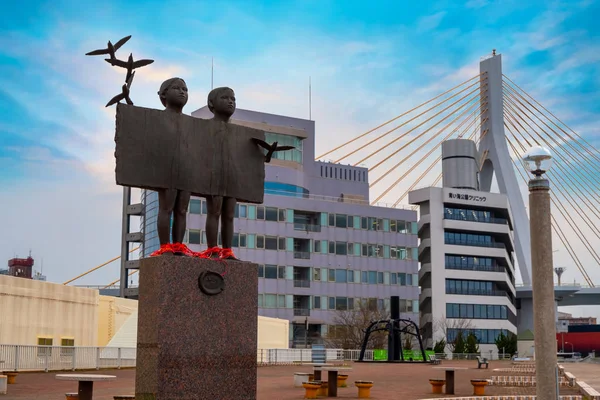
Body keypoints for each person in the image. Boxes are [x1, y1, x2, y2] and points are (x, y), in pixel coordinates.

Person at [150, 77, 193, 257]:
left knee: (182, 210)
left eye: (185, 88)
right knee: (166, 207)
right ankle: (165, 245)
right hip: (167, 168)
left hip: (186, 170)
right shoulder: (157, 118)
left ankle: (178, 245)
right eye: (177, 88)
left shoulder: (192, 123)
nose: (183, 91)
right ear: (164, 95)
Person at [200, 87, 239, 260]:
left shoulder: (239, 132)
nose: (231, 101)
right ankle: (213, 248)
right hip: (213, 174)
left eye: (233, 98)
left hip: (231, 176)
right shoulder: (205, 127)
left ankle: (227, 250)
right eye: (225, 98)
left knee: (229, 214)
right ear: (212, 104)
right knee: (214, 211)